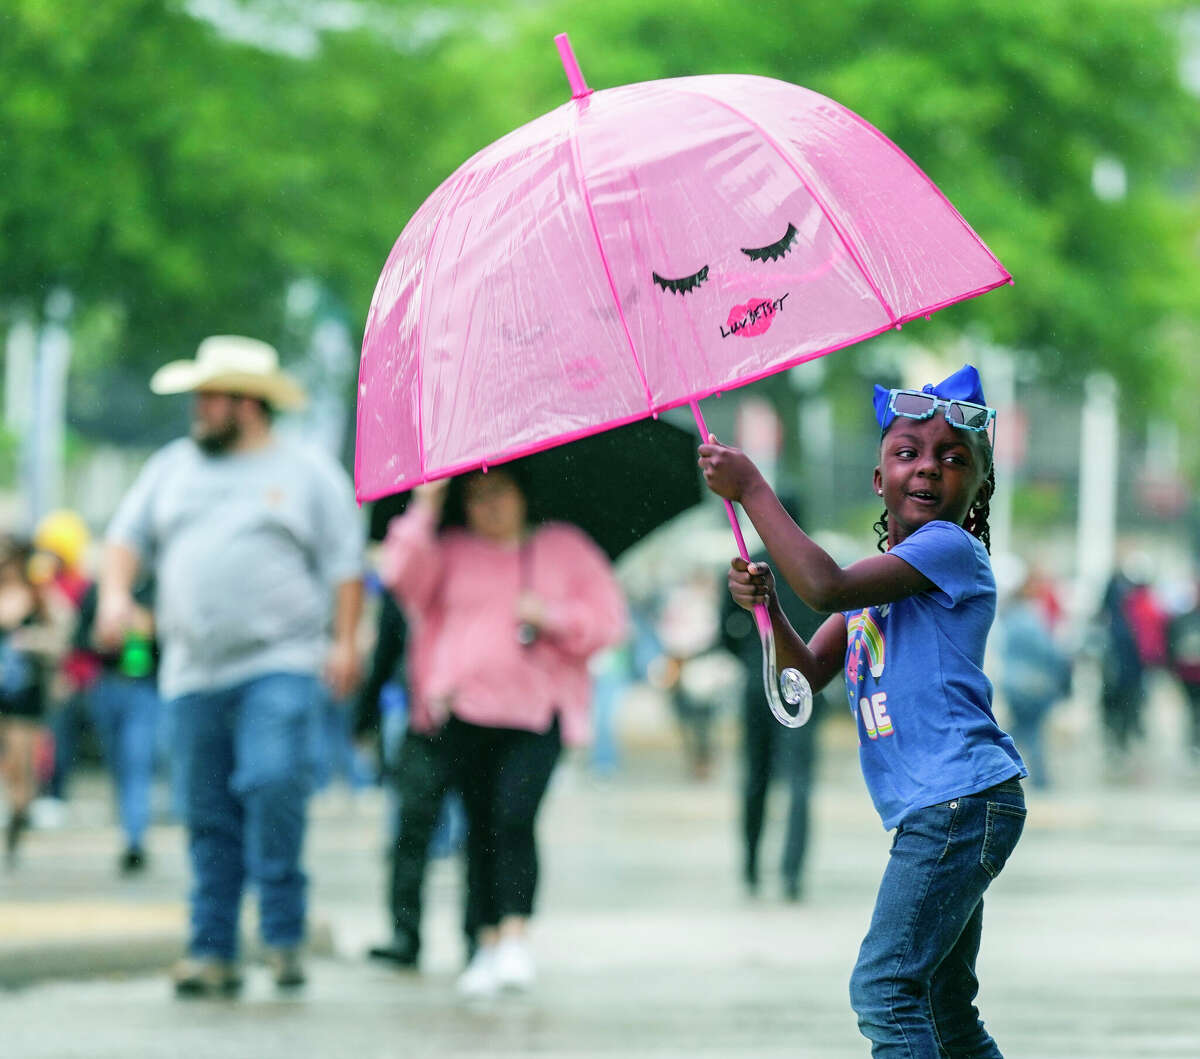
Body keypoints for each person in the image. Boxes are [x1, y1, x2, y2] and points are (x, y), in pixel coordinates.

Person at [699, 364, 1027, 1057]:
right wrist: (764, 611)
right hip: (951, 803)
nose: (929, 469)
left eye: (953, 458)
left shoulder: (950, 550)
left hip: (959, 798)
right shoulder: (882, 583)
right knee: (942, 1004)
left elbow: (821, 585)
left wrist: (753, 487)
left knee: (884, 988)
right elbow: (804, 674)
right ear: (880, 479)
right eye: (908, 453)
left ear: (978, 489)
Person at [94, 335, 364, 996]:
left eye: (210, 395)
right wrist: (114, 595)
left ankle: (281, 928)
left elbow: (343, 566)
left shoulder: (305, 472)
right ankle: (212, 948)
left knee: (272, 781)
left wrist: (346, 640)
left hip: (280, 662)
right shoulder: (171, 469)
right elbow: (125, 542)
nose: (198, 406)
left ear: (249, 403)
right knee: (206, 811)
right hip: (191, 672)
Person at [380, 466, 625, 997]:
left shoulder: (564, 548)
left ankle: (515, 935)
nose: (486, 506)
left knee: (515, 817)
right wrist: (424, 506)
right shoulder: (449, 549)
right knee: (480, 828)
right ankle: (485, 942)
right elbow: (400, 577)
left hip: (537, 714)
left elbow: (609, 623)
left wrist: (553, 616)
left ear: (522, 494)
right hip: (463, 712)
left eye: (498, 493)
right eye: (474, 497)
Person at [720, 502, 825, 901]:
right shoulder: (816, 566)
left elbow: (724, 634)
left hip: (757, 683)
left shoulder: (745, 568)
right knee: (799, 782)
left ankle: (750, 866)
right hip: (805, 684)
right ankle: (792, 873)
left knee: (755, 778)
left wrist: (752, 659)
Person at [76, 575, 163, 873]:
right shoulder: (98, 588)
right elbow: (79, 638)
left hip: (143, 687)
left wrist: (147, 626)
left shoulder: (153, 586)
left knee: (137, 760)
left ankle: (134, 837)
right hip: (107, 684)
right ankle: (129, 825)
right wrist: (101, 636)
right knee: (117, 764)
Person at [997, 567, 1071, 789]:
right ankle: (1039, 780)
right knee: (1032, 730)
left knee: (1021, 728)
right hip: (1032, 684)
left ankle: (1000, 765)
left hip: (1012, 682)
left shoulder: (1008, 616)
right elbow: (1048, 651)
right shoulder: (1029, 618)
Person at [0, 538, 49, 866]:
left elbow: (62, 635)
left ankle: (19, 814)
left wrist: (33, 641)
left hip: (23, 692)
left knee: (20, 765)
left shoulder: (38, 596)